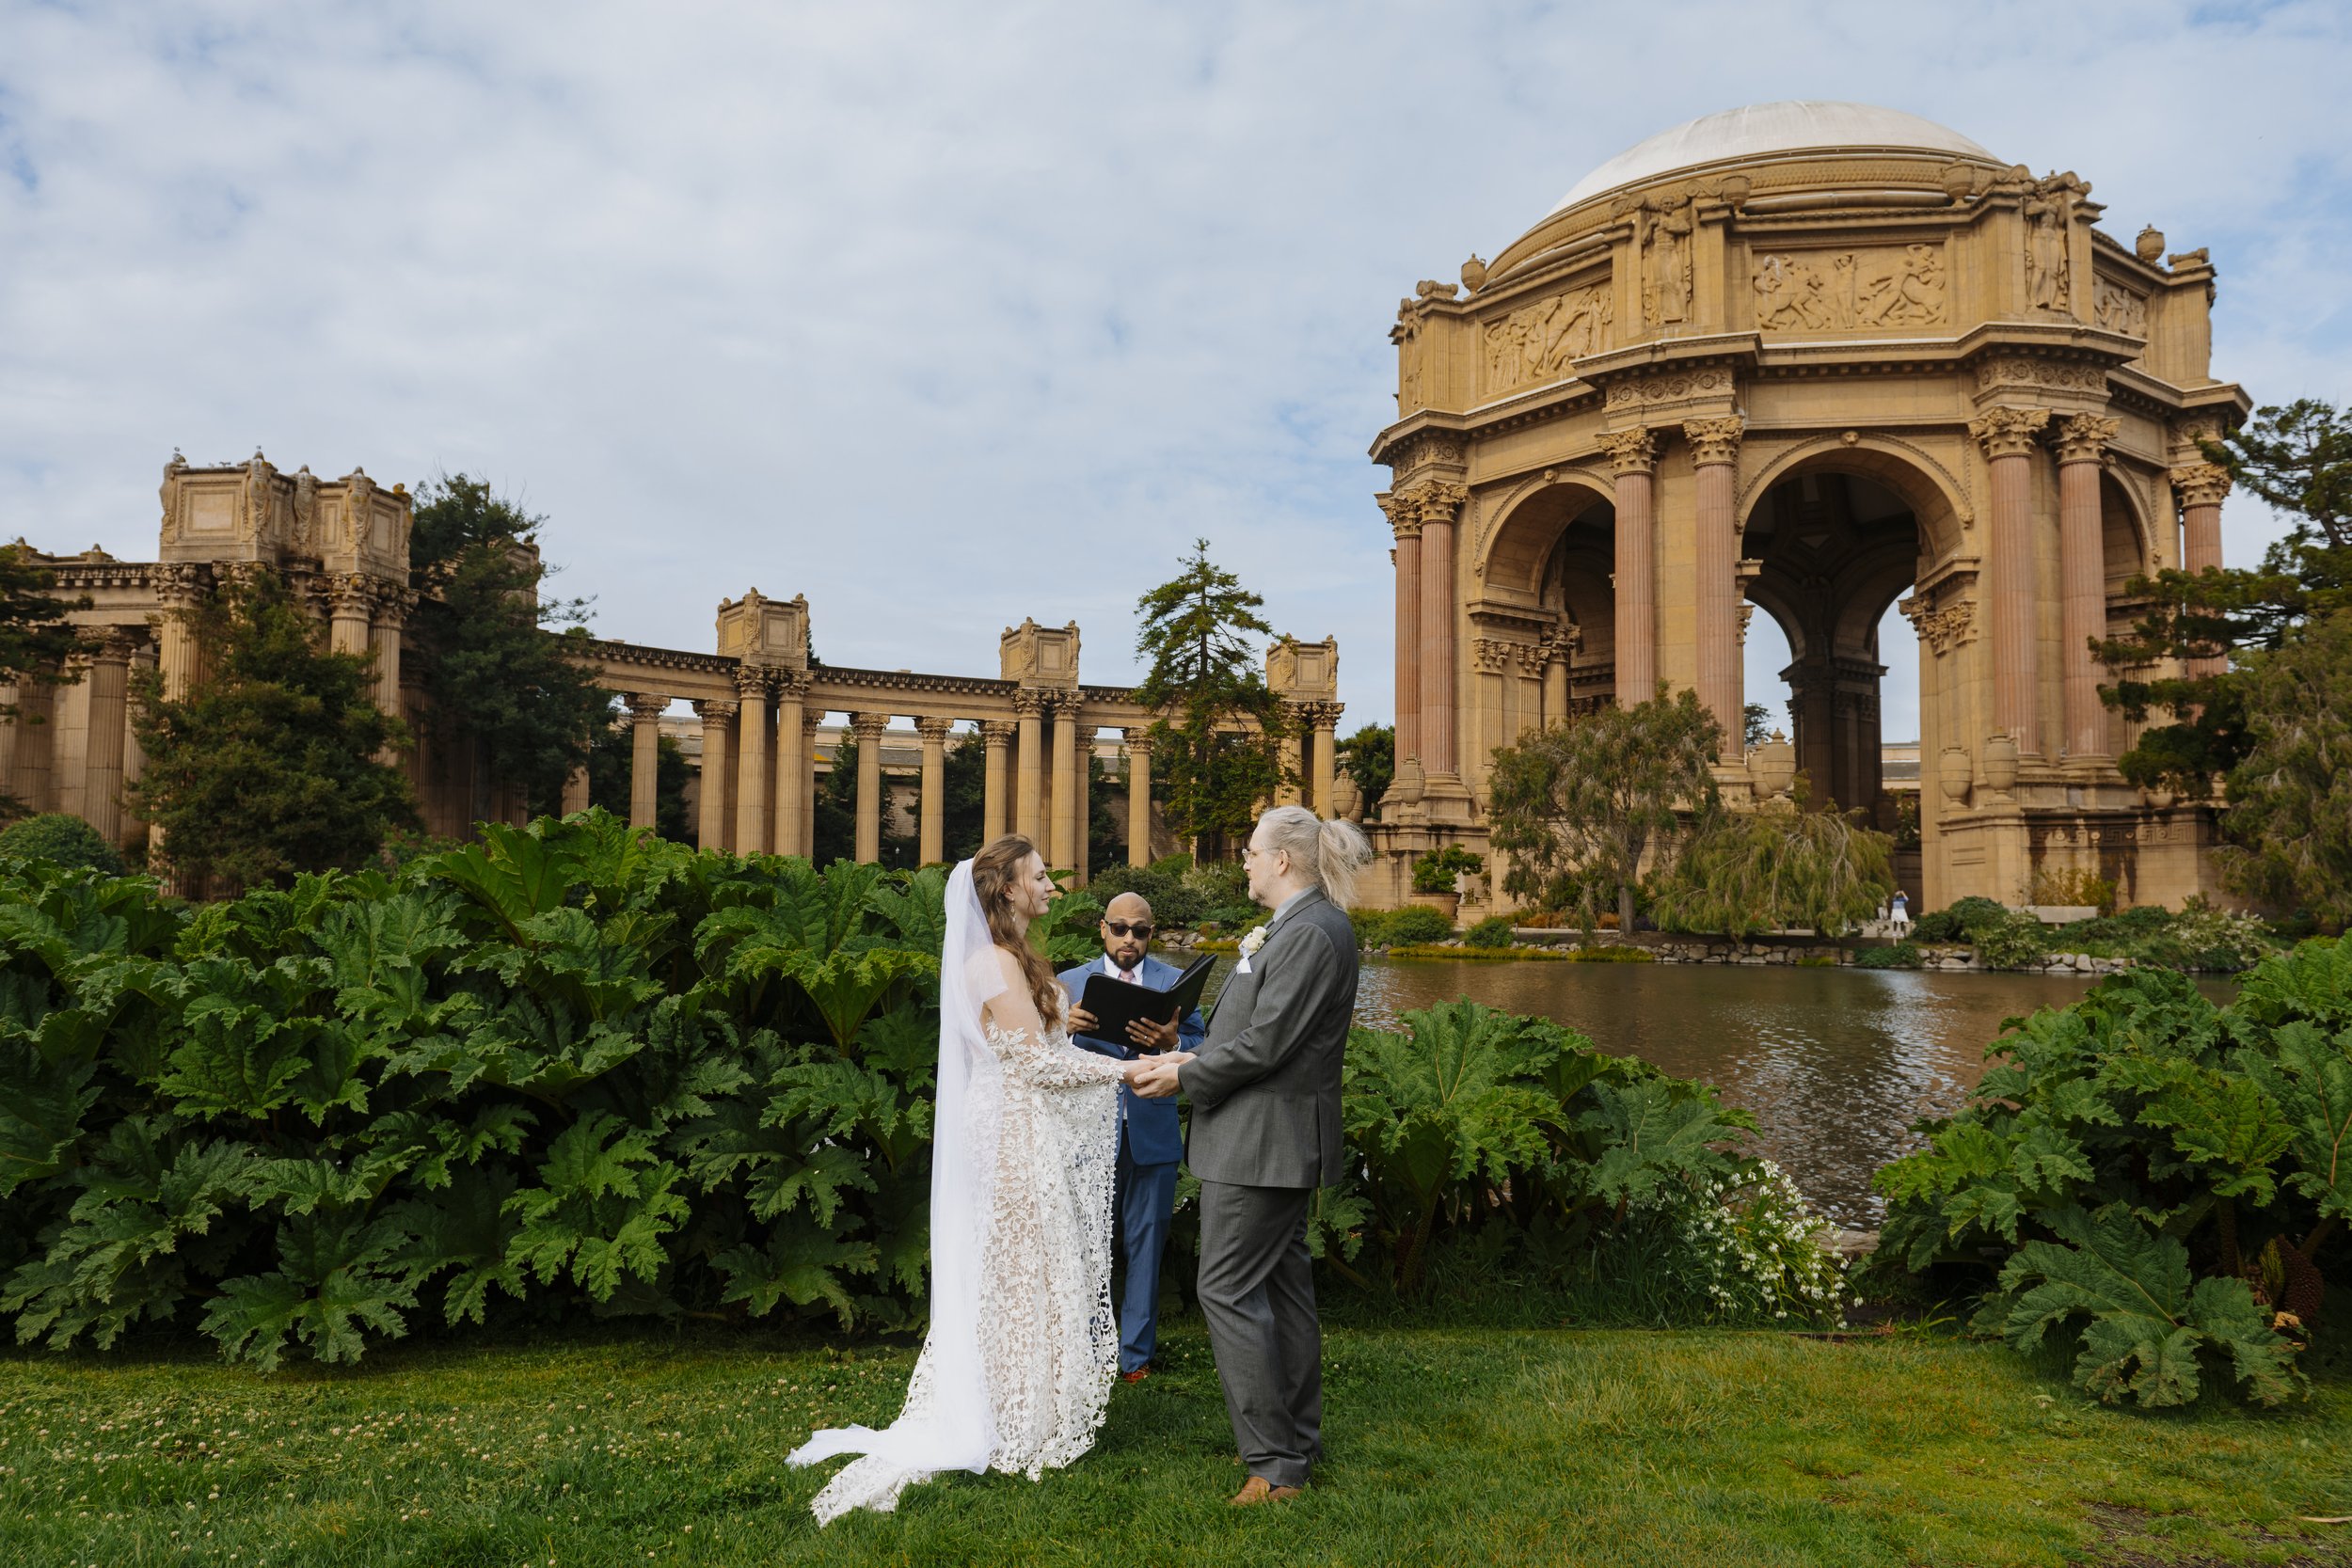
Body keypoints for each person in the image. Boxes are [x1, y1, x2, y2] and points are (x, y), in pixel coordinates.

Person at [788, 834, 1188, 1524]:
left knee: (1030, 1268)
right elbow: (1036, 1065)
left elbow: (1041, 1047)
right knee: (1017, 1270)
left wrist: (1081, 1026)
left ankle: (1026, 1408)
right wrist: (1125, 1070)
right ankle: (1009, 1417)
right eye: (1039, 876)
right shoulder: (994, 961)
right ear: (1006, 889)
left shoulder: (1020, 958)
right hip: (1011, 1133)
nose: (1051, 887)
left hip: (1023, 1125)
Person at [1132, 805, 1372, 1506]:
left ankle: (1273, 1466)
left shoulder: (1312, 933)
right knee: (1280, 1287)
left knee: (1227, 1287)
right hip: (1260, 1138)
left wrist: (1184, 1074)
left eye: (1250, 852)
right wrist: (1189, 1052)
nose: (1243, 861)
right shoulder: (1299, 928)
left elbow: (1270, 1045)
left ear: (1284, 862)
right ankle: (1295, 1441)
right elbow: (1253, 1032)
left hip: (1262, 1144)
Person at [1059, 892, 1208, 1382]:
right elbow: (1038, 1056)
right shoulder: (1068, 983)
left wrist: (1174, 1043)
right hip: (1088, 1133)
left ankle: (1134, 1359)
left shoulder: (1174, 981)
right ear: (1102, 928)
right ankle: (1087, 1349)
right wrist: (1062, 1029)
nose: (1129, 939)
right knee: (1087, 1245)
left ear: (1151, 932)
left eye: (1139, 931)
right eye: (1120, 929)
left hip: (1153, 1129)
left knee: (1147, 1242)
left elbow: (1206, 1047)